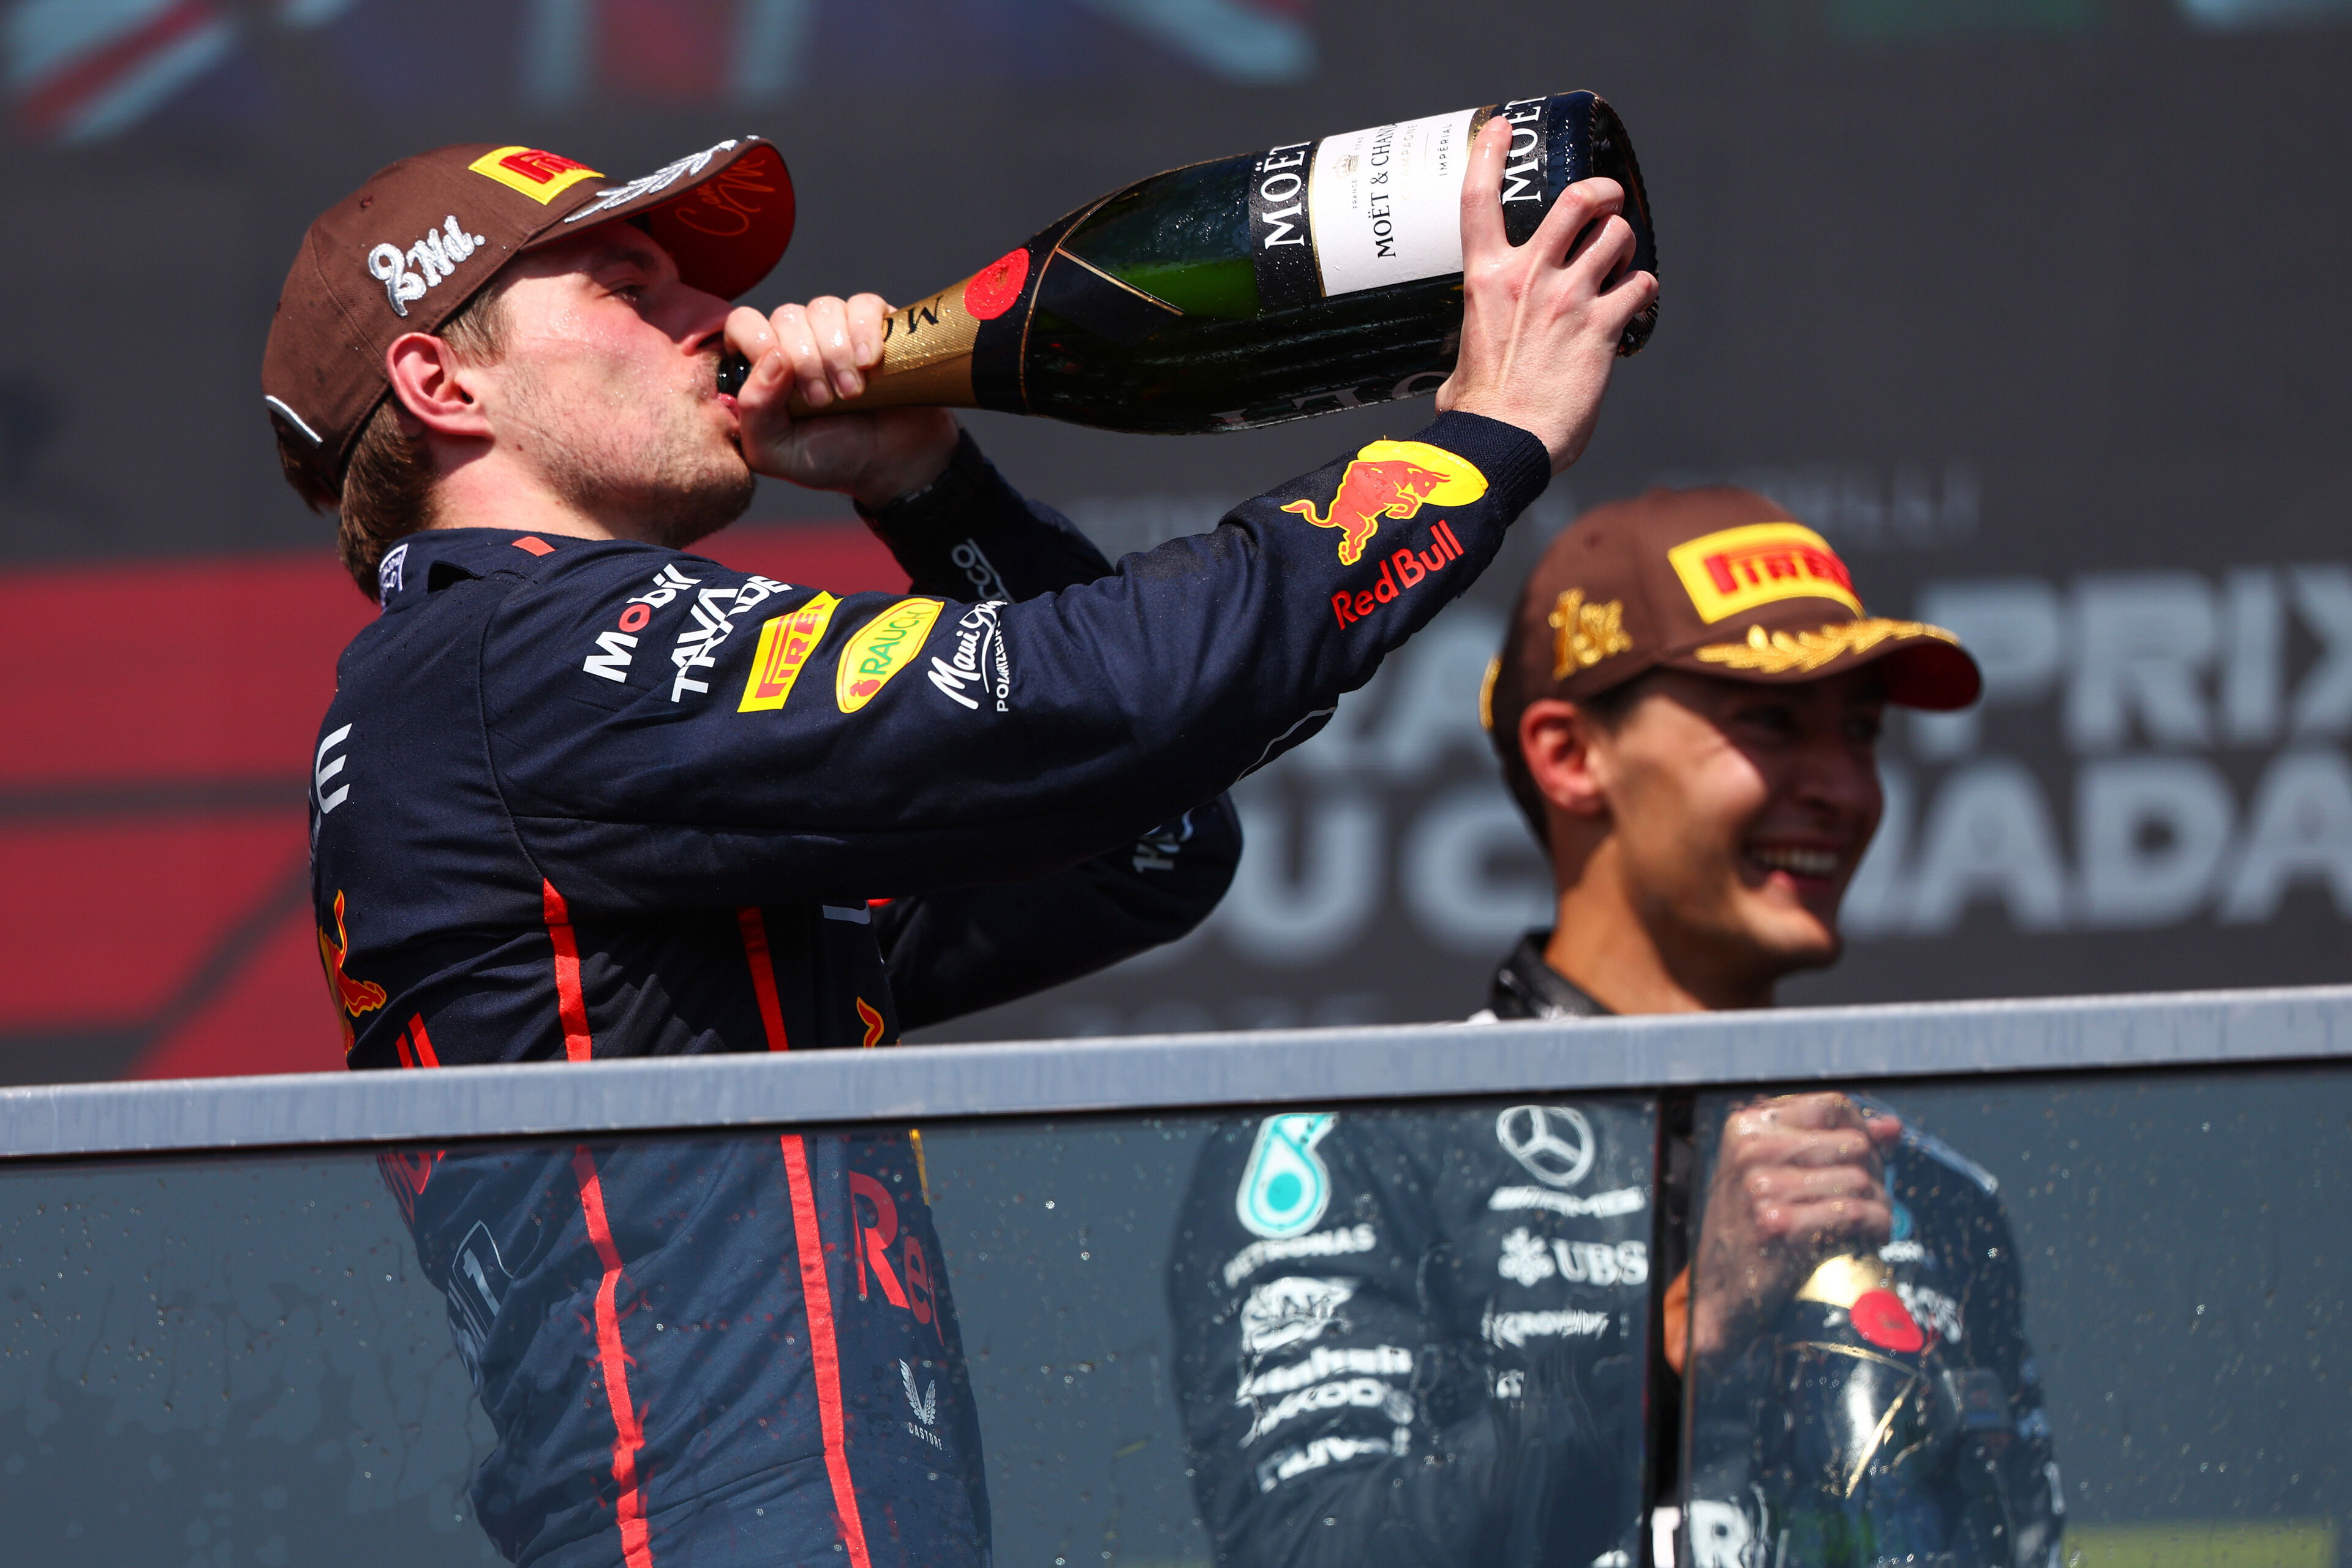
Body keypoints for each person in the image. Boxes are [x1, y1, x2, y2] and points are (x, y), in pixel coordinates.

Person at [267, 125, 1654, 1566]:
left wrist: (933, 493)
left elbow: (1153, 842)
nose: (719, 321)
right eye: (631, 288)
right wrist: (1480, 433)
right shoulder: (519, 655)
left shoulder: (548, 734)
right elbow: (1119, 696)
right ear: (443, 382)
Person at [1169, 488, 2061, 1568]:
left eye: (1861, 733)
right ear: (1570, 756)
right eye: (1770, 721)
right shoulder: (1357, 1147)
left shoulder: (1934, 1198)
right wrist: (1680, 1334)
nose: (1841, 787)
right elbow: (1313, 1552)